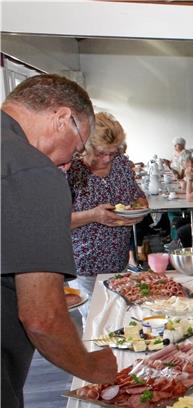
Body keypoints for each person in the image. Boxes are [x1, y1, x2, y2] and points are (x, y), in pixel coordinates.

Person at [1, 74, 117, 408]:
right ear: (62, 117)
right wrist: (94, 368)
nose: (71, 165)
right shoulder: (32, 169)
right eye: (79, 147)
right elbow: (43, 316)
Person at [67, 112, 146, 309]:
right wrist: (94, 215)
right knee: (93, 322)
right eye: (101, 153)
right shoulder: (71, 169)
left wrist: (138, 211)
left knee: (118, 316)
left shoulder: (120, 163)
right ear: (87, 146)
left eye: (112, 152)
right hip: (84, 263)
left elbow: (138, 196)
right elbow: (57, 220)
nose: (107, 158)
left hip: (118, 260)